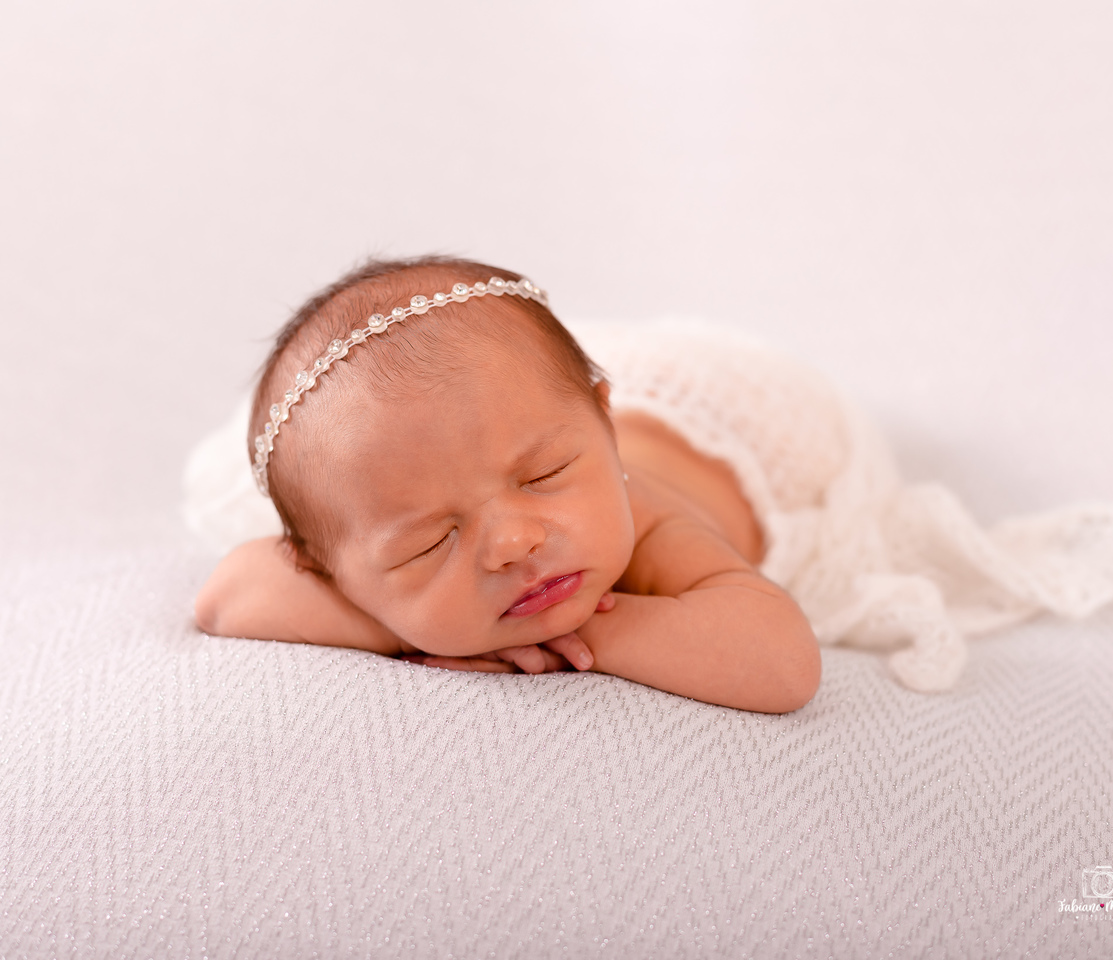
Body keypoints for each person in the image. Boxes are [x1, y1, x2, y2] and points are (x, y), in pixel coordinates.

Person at [194, 257, 823, 714]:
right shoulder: (382, 498)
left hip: (741, 428)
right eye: (429, 543)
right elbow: (228, 597)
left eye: (543, 476)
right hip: (465, 430)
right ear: (329, 573)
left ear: (605, 428)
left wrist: (575, 637)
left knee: (517, 384)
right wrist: (424, 624)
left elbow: (783, 664)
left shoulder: (645, 517)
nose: (514, 543)